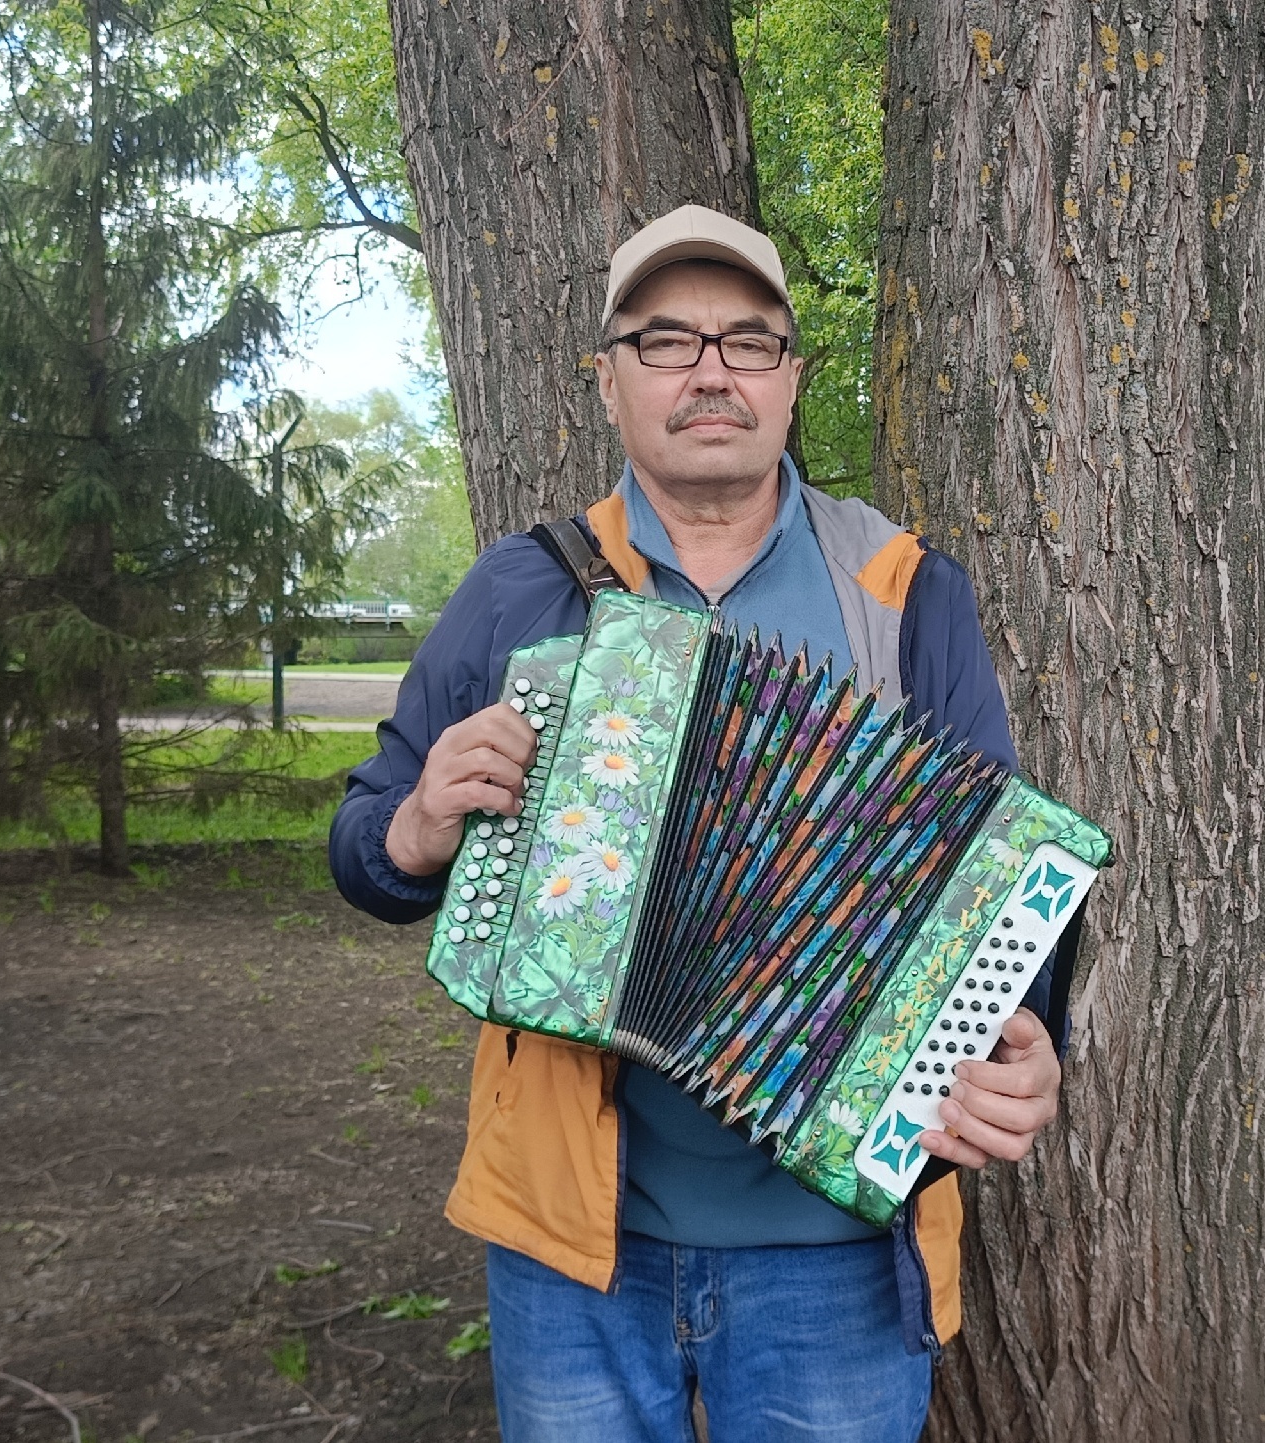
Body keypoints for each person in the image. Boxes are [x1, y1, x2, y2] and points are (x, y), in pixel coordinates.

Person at [328, 205, 1063, 1442]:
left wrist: (1028, 1040)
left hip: (835, 1247)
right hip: (573, 1247)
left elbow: (998, 882)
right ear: (608, 382)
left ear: (789, 379)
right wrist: (414, 828)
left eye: (747, 340)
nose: (710, 368)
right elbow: (365, 851)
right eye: (664, 340)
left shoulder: (902, 588)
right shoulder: (525, 588)